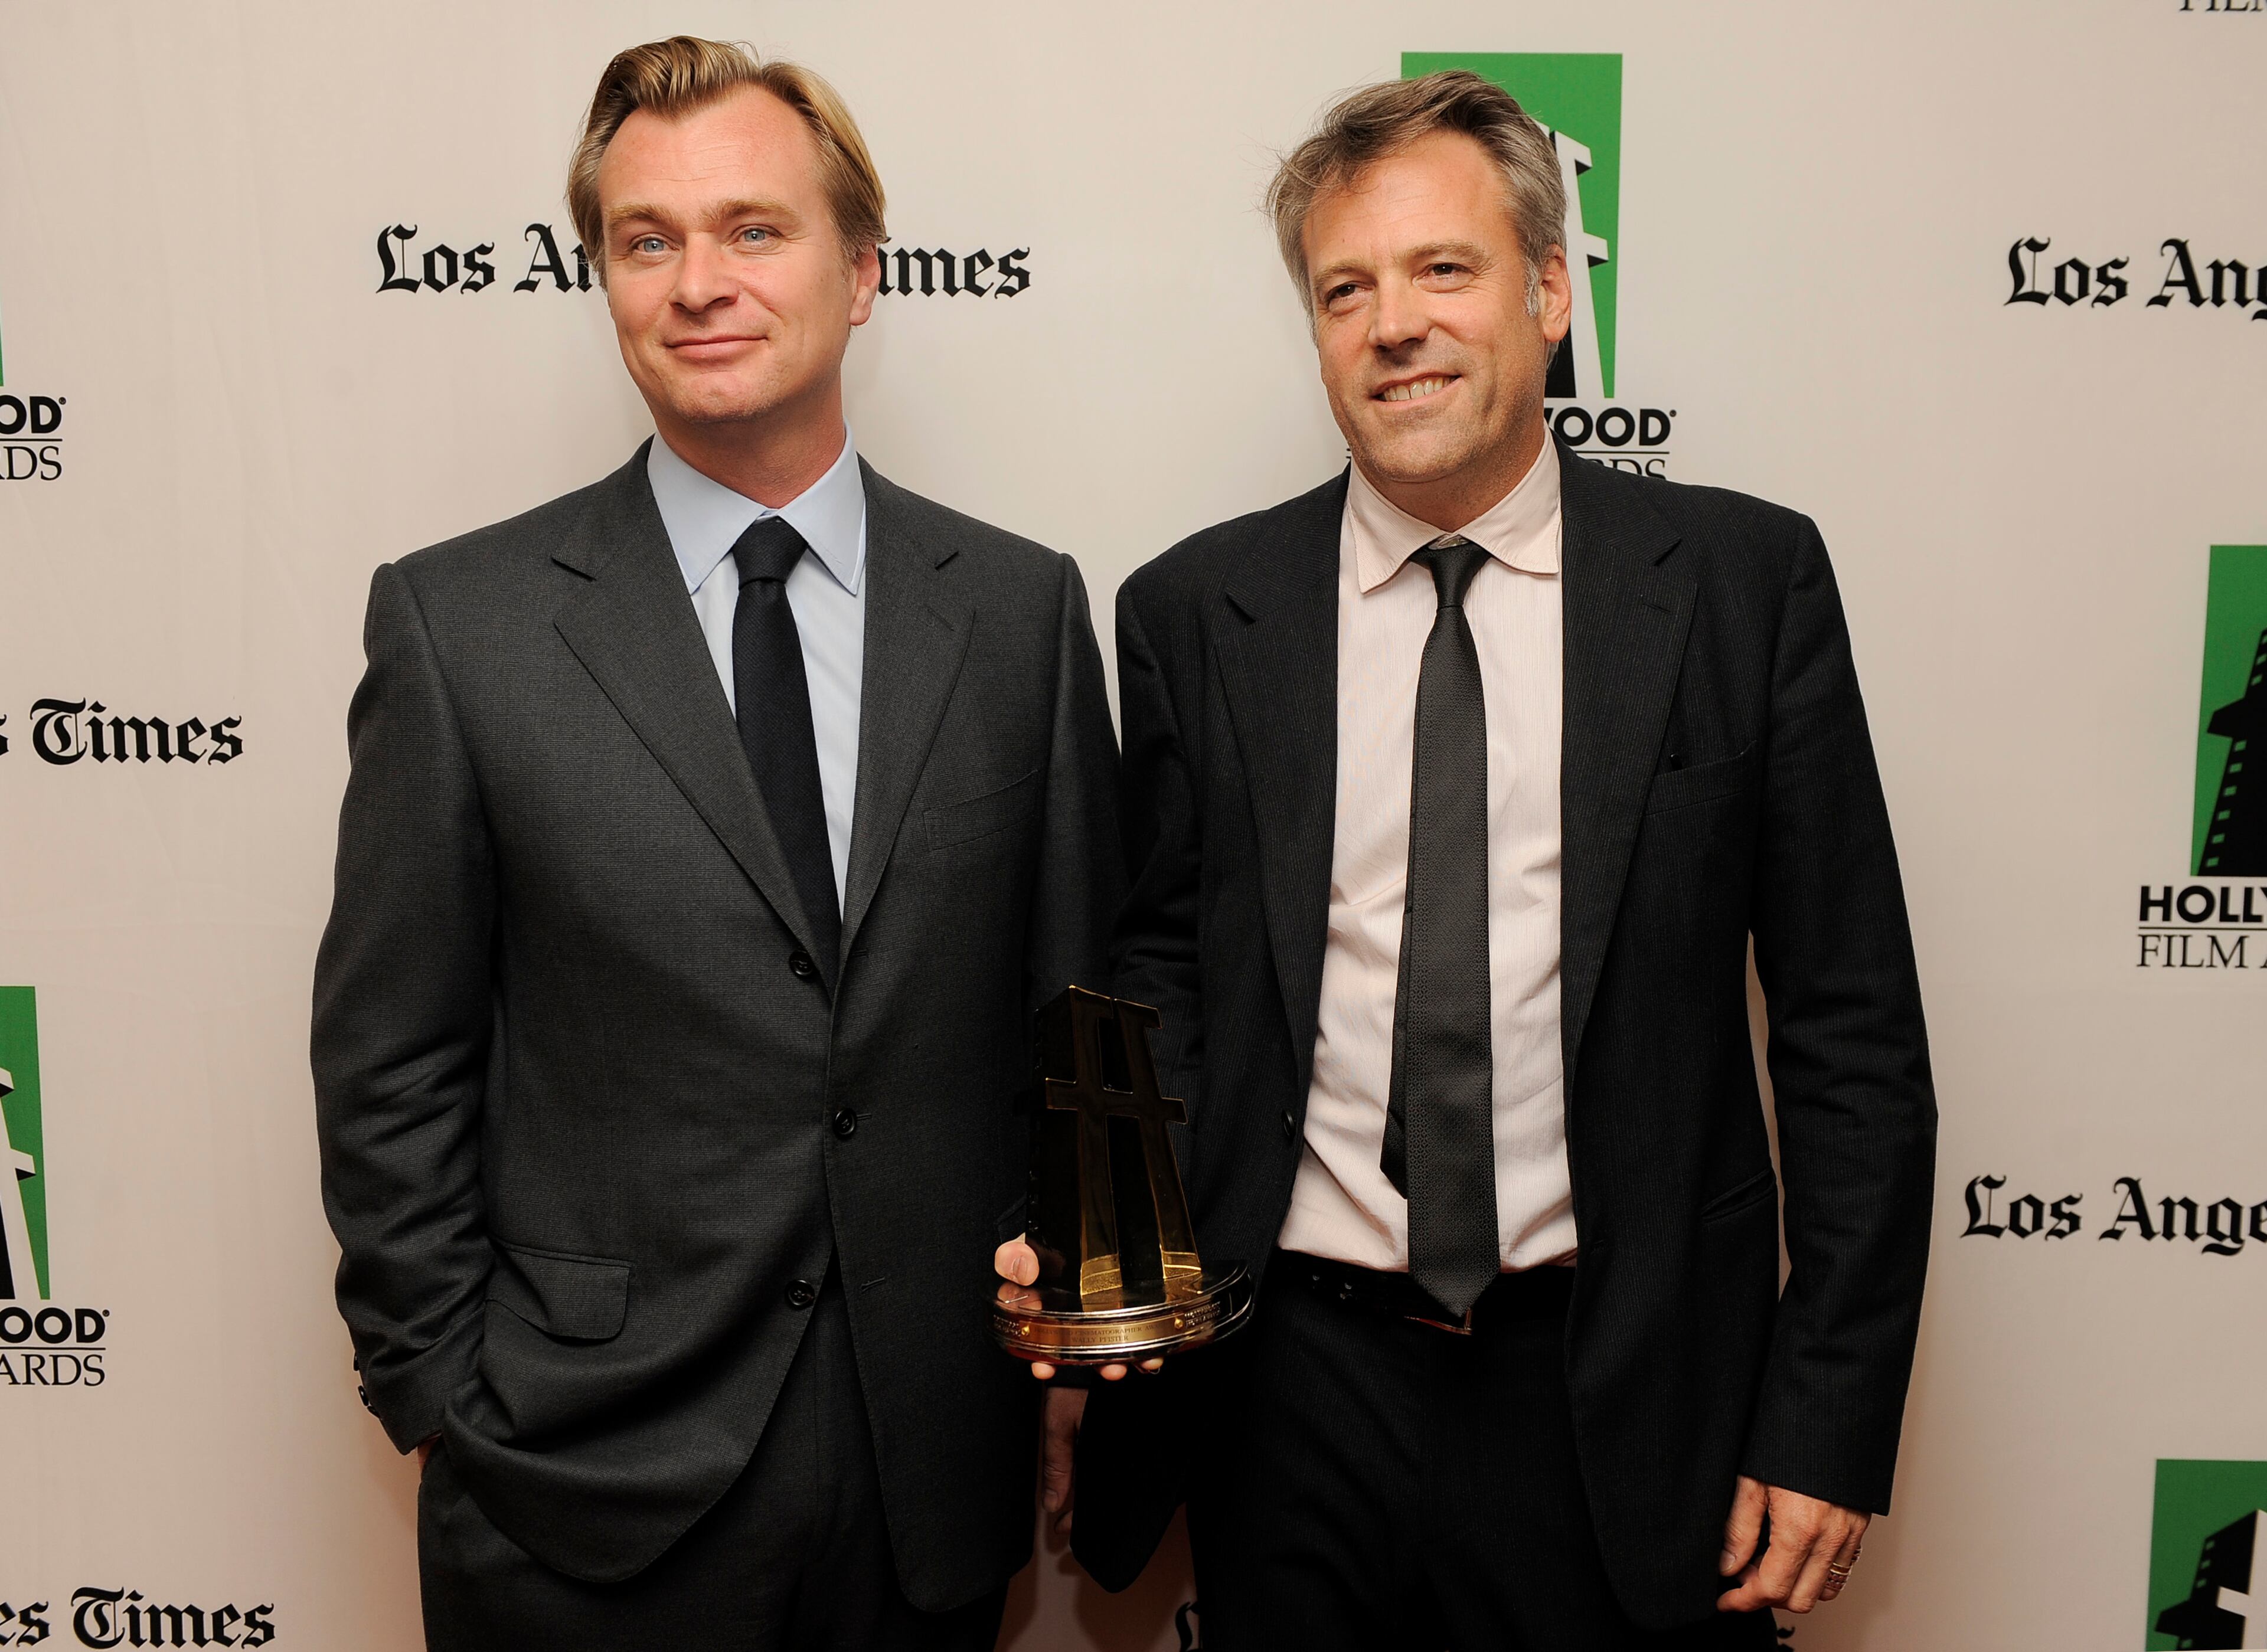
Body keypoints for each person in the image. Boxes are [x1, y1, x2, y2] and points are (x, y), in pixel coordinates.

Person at [998, 70, 1935, 1650]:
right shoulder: (1192, 615)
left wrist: (1826, 1416)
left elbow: (1852, 1033)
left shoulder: (1739, 583)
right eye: (1345, 289)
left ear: (1553, 292)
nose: (1394, 325)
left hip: (1625, 1384)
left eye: (1445, 270)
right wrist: (1094, 1267)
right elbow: (1156, 981)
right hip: (1289, 1380)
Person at [313, 36, 1119, 1651]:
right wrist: (448, 1397)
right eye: (646, 239)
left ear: (864, 270)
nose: (700, 282)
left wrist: (1082, 1353)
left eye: (755, 229)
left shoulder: (1021, 611)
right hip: (579, 1485)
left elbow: (1081, 1026)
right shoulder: (462, 626)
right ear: (605, 279)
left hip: (928, 1478)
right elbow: (391, 1057)